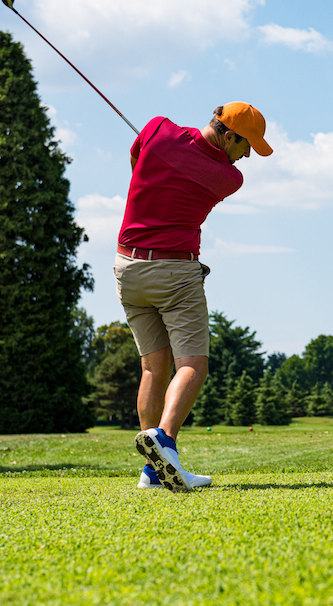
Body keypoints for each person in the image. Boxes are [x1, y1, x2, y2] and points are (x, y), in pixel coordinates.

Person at [115, 102, 273, 492]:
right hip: (175, 272)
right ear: (228, 135)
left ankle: (153, 472)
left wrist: (159, 158)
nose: (247, 155)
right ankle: (164, 443)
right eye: (246, 145)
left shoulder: (156, 128)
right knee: (193, 365)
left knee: (154, 367)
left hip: (127, 267)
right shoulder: (228, 177)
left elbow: (136, 159)